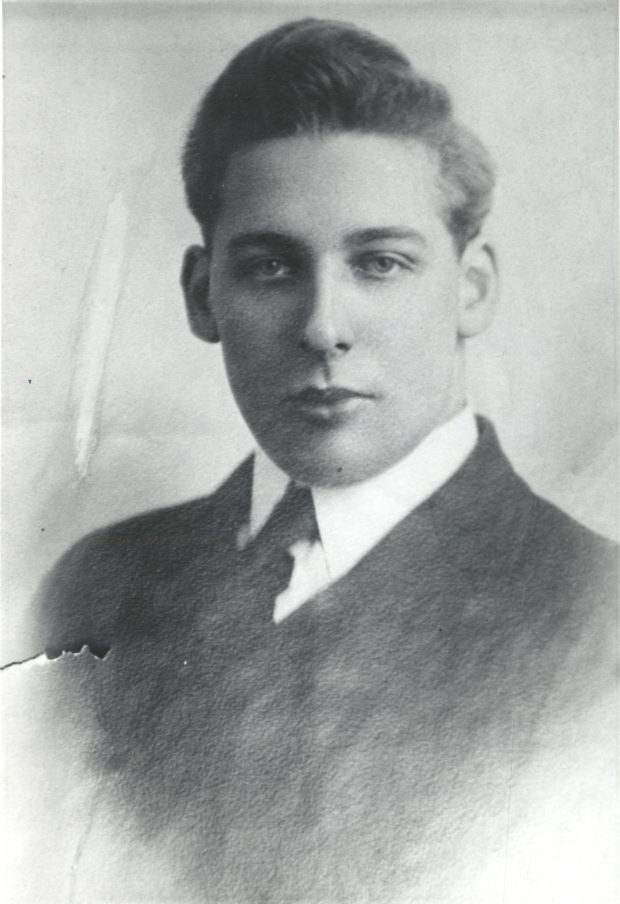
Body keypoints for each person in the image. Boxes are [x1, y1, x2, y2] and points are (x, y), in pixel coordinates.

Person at [33, 18, 617, 903]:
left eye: (380, 263)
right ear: (202, 294)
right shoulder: (94, 590)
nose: (322, 327)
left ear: (472, 288)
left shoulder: (596, 622)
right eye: (271, 268)